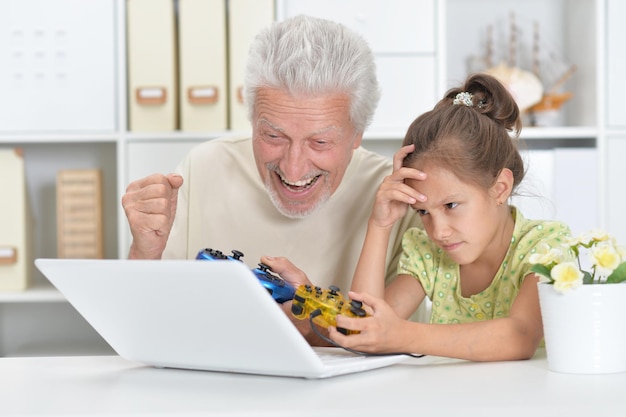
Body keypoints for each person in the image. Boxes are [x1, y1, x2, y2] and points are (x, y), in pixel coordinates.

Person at [121, 15, 423, 342]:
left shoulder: (397, 200)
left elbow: (388, 341)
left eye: (319, 142)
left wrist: (306, 318)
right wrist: (144, 253)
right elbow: (143, 326)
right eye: (273, 136)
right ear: (252, 120)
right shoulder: (203, 167)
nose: (293, 170)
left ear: (357, 135)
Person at [329, 73, 573, 361]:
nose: (438, 231)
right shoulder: (427, 252)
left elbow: (519, 337)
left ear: (500, 188)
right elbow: (362, 330)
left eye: (451, 205)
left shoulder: (544, 247)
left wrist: (402, 335)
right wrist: (380, 225)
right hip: (448, 402)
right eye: (423, 211)